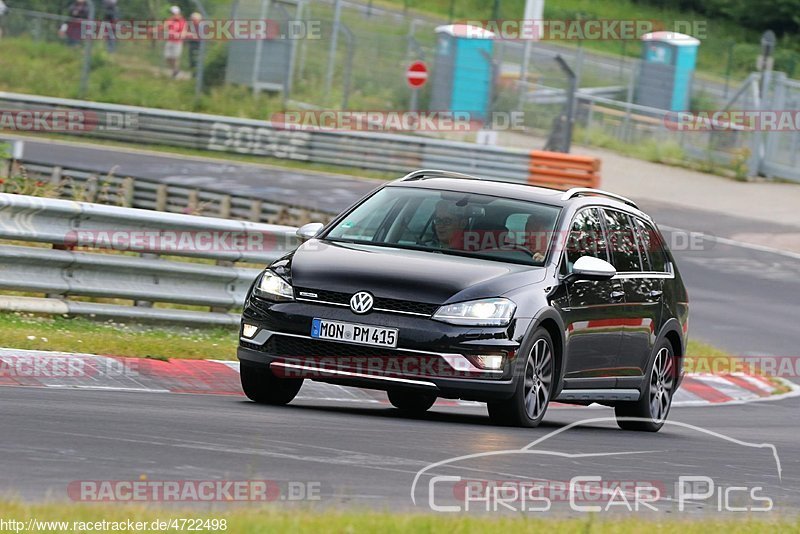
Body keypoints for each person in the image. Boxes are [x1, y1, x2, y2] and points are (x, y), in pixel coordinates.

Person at [164, 5, 186, 78]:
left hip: (177, 42)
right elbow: (165, 28)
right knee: (167, 57)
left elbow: (183, 31)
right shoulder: (169, 20)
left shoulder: (182, 21)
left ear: (178, 13)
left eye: (174, 13)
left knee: (175, 57)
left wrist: (179, 35)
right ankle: (175, 69)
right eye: (172, 13)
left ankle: (175, 71)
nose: (173, 15)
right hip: (170, 41)